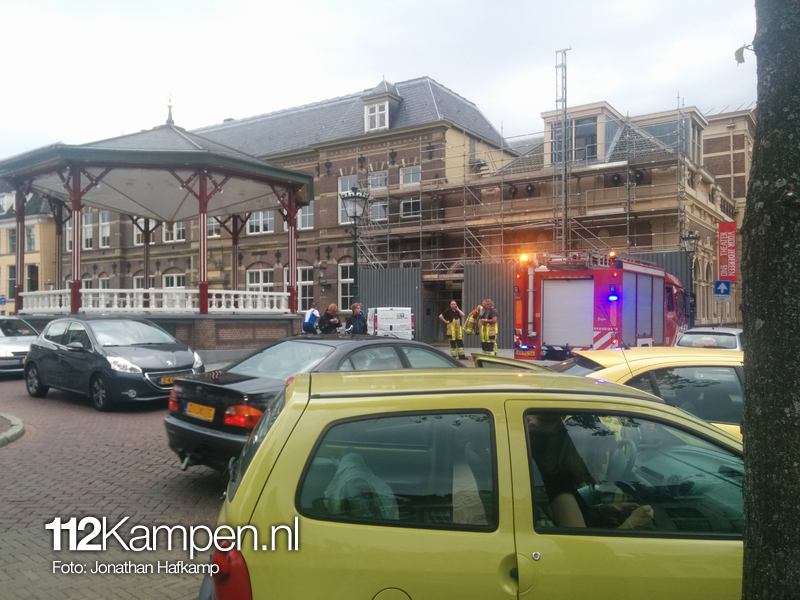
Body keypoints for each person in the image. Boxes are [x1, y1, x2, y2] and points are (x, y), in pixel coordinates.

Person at [528, 413, 653, 530]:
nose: (605, 460)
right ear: (585, 456)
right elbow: (581, 544)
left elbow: (565, 514)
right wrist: (632, 524)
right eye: (602, 454)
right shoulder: (560, 489)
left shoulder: (559, 479)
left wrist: (600, 510)